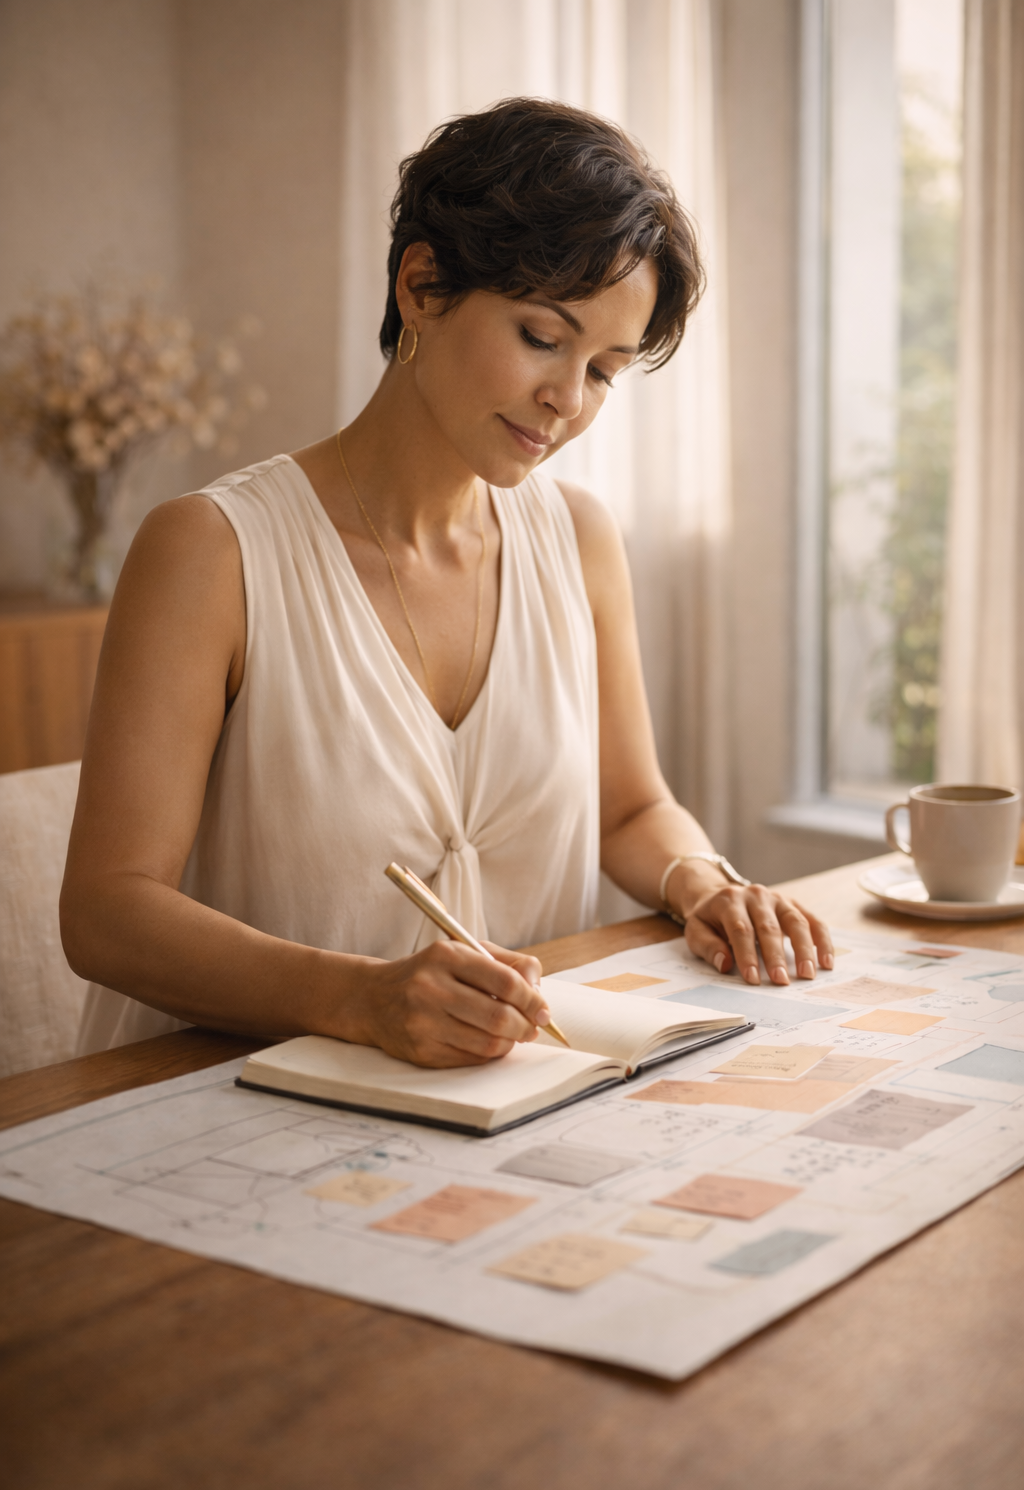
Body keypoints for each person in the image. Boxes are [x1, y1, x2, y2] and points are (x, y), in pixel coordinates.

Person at [61, 98, 832, 1068]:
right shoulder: (210, 551)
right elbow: (105, 913)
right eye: (543, 338)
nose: (567, 400)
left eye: (603, 369)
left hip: (496, 1115)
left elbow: (630, 811)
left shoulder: (580, 541)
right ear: (422, 285)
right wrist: (361, 998)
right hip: (222, 1115)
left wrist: (702, 882)